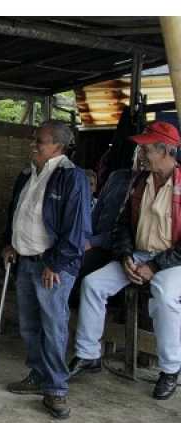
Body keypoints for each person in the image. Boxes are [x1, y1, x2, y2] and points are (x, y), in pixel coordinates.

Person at [70, 122, 181, 400]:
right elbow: (122, 226)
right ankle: (88, 355)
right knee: (93, 284)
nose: (141, 153)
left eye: (147, 148)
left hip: (174, 262)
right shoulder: (139, 181)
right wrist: (125, 256)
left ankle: (170, 369)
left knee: (164, 295)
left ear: (166, 150)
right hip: (139, 255)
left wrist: (154, 267)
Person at [2, 120, 91, 420]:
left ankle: (56, 389)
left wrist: (56, 263)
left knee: (53, 326)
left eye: (39, 140)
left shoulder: (71, 177)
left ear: (57, 146)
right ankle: (38, 375)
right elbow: (16, 213)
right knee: (29, 324)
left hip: (51, 266)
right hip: (25, 260)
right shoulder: (28, 174)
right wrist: (10, 243)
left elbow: (77, 230)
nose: (33, 144)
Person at [68, 168, 132, 309]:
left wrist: (93, 241)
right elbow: (98, 210)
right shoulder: (117, 176)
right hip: (97, 239)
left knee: (83, 263)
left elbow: (127, 229)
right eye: (138, 152)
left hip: (118, 248)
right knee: (71, 253)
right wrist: (85, 237)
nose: (140, 157)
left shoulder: (144, 185)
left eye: (144, 152)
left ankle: (74, 307)